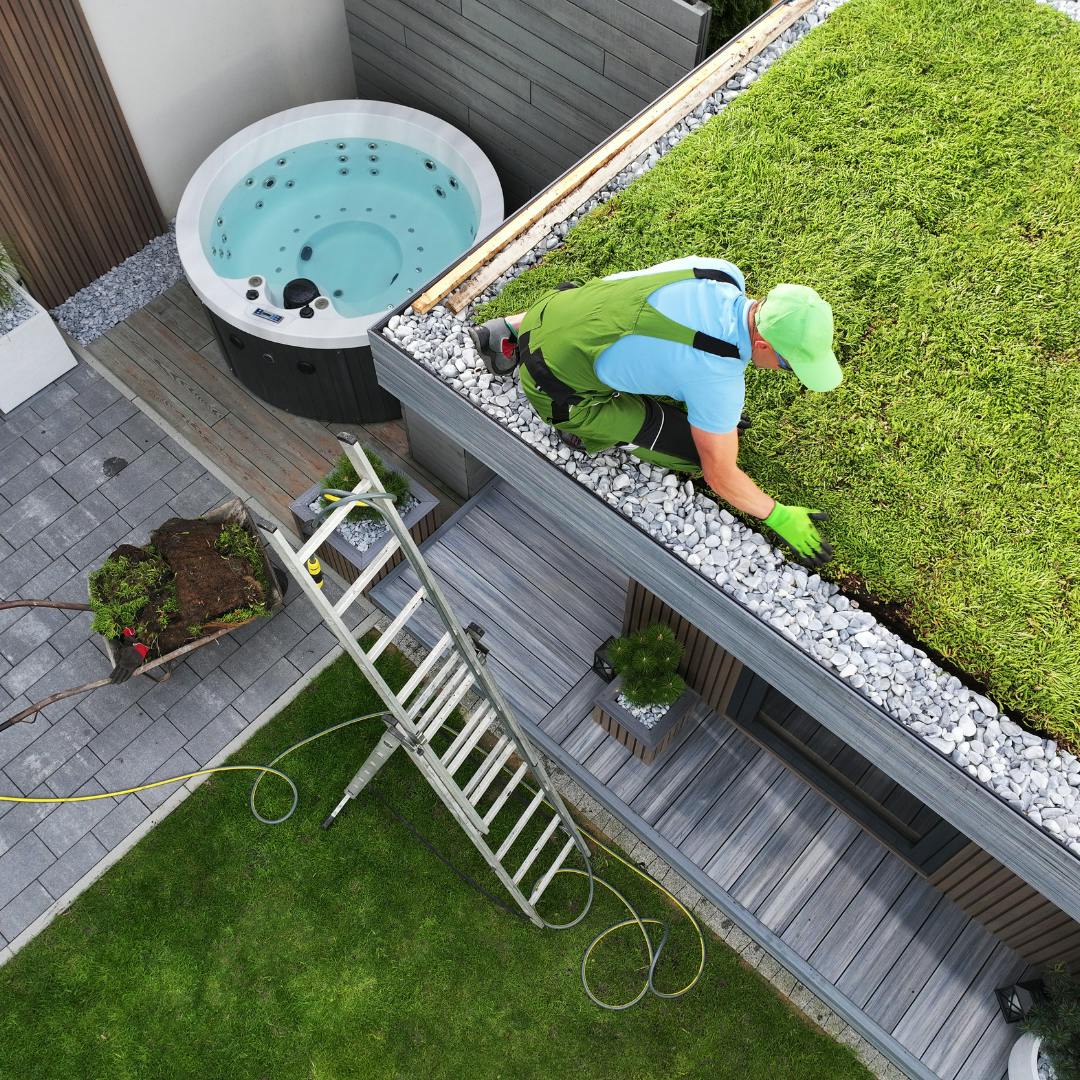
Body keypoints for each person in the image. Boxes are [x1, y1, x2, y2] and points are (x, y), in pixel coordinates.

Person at [468, 257, 842, 566]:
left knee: (602, 309)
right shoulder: (718, 381)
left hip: (552, 310)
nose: (785, 371)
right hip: (554, 387)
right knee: (696, 453)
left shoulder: (721, 273)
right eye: (788, 364)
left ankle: (506, 332)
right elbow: (720, 474)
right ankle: (586, 430)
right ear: (762, 344)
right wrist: (778, 516)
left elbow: (615, 287)